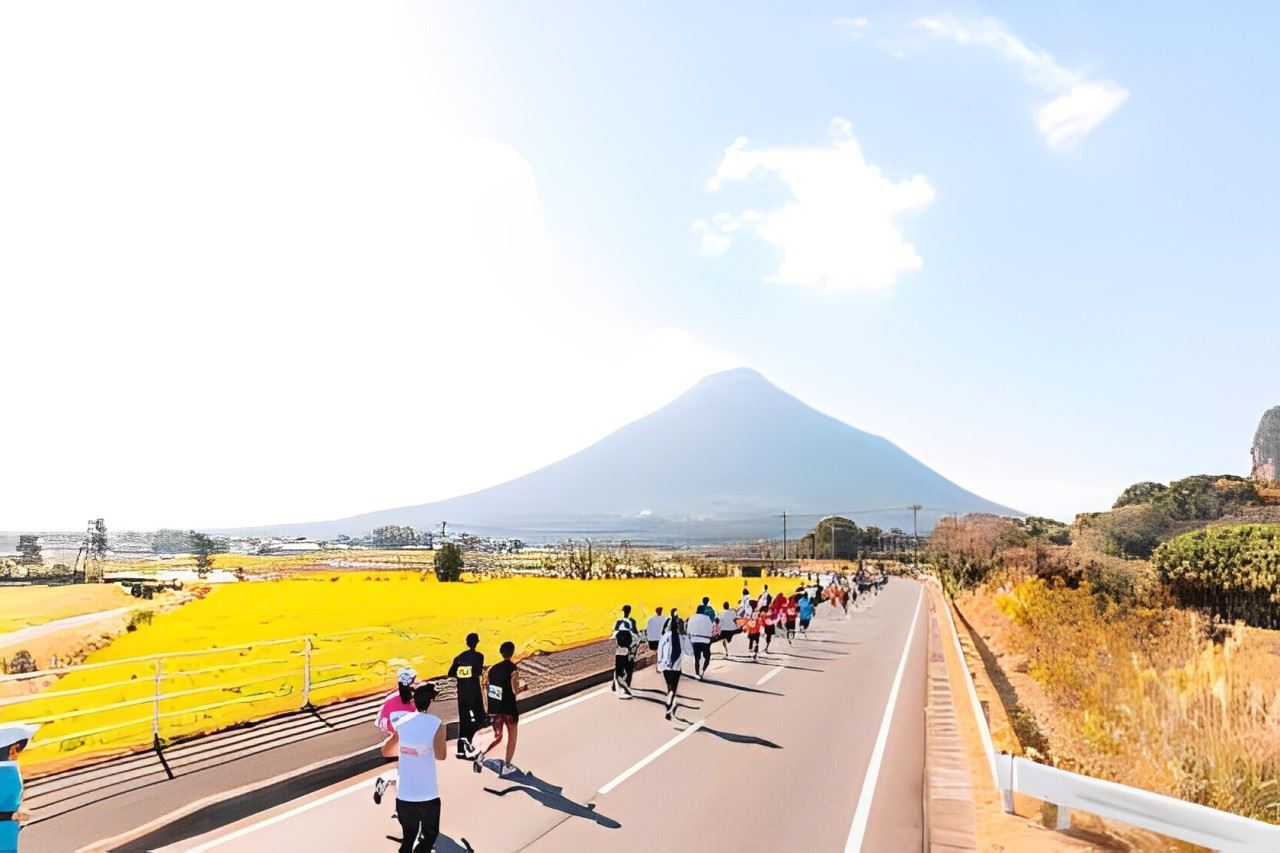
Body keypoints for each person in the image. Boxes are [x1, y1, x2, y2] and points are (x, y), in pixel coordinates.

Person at [381, 684, 446, 853]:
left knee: (409, 836)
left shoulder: (401, 723)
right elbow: (441, 755)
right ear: (430, 702)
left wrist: (407, 750)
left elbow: (386, 751)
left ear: (413, 701)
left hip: (405, 795)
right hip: (428, 794)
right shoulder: (437, 724)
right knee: (430, 835)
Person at [373, 667, 418, 805]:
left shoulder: (403, 697)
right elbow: (382, 720)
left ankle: (385, 779)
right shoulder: (402, 699)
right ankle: (401, 804)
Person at [477, 641, 523, 777]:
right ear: (512, 652)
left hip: (495, 709)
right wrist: (523, 688)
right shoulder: (513, 669)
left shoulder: (492, 669)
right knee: (512, 739)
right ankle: (507, 766)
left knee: (497, 736)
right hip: (509, 709)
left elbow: (490, 690)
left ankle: (481, 755)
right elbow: (515, 690)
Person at [447, 634, 486, 760]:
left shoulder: (459, 658)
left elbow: (451, 673)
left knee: (464, 722)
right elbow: (477, 672)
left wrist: (462, 671)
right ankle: (477, 746)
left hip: (462, 693)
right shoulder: (479, 656)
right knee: (480, 719)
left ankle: (461, 749)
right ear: (477, 642)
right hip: (474, 693)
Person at [0, 724, 37, 853]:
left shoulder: (9, 770)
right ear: (13, 750)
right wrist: (12, 815)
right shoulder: (6, 774)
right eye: (20, 747)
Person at [657, 609, 691, 720]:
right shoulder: (682, 637)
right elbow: (689, 652)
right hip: (676, 667)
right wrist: (685, 635)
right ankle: (669, 706)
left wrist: (659, 663)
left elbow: (660, 650)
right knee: (673, 688)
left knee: (669, 687)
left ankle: (669, 705)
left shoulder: (666, 636)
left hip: (666, 666)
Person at [612, 605, 640, 693]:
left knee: (618, 668)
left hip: (619, 649)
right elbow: (635, 636)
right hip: (628, 649)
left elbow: (614, 634)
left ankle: (615, 684)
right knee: (629, 668)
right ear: (630, 611)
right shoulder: (631, 622)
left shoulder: (618, 622)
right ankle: (627, 686)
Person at [687, 605, 714, 680]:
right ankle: (702, 671)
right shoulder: (707, 618)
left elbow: (688, 630)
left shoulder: (692, 618)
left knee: (697, 658)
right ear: (703, 611)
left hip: (695, 640)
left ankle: (697, 673)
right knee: (707, 657)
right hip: (705, 640)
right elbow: (711, 629)